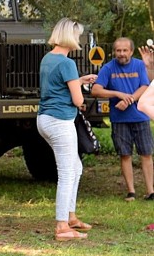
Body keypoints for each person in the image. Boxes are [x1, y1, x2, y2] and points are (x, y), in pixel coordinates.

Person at [36, 18, 97, 241]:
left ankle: (70, 216)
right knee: (67, 172)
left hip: (44, 119)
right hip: (60, 121)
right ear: (70, 36)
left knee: (75, 167)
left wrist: (78, 80)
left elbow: (57, 84)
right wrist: (80, 87)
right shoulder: (67, 63)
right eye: (78, 35)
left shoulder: (48, 59)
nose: (79, 39)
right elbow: (78, 99)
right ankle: (62, 226)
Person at [90, 38, 153, 201]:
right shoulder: (108, 68)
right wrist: (117, 94)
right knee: (125, 155)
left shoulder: (139, 65)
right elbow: (96, 90)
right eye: (118, 50)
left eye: (125, 50)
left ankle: (151, 191)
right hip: (119, 119)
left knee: (146, 153)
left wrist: (129, 100)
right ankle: (131, 191)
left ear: (131, 52)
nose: (122, 54)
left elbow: (145, 86)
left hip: (140, 116)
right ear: (114, 52)